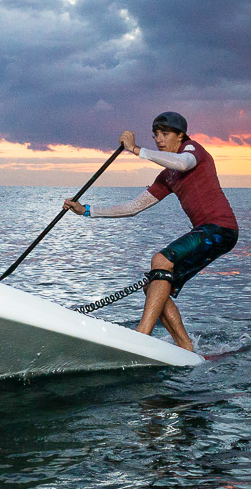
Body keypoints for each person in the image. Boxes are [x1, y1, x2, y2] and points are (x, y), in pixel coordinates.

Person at [62, 111, 238, 353]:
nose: (159, 139)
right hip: (207, 231)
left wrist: (136, 150)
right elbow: (133, 207)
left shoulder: (193, 151)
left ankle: (141, 337)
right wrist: (87, 210)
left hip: (221, 228)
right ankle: (187, 349)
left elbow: (183, 163)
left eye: (165, 134)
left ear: (180, 136)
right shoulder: (168, 176)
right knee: (155, 285)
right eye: (155, 135)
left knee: (160, 260)